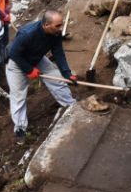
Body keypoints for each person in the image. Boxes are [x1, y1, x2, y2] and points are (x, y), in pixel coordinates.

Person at [6, 10, 78, 145]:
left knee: (56, 77)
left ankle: (70, 105)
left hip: (37, 58)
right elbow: (13, 53)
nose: (60, 28)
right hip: (17, 63)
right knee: (18, 95)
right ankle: (20, 128)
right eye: (57, 25)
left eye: (61, 25)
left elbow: (58, 53)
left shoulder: (55, 33)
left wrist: (67, 74)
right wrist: (28, 70)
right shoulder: (27, 33)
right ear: (46, 25)